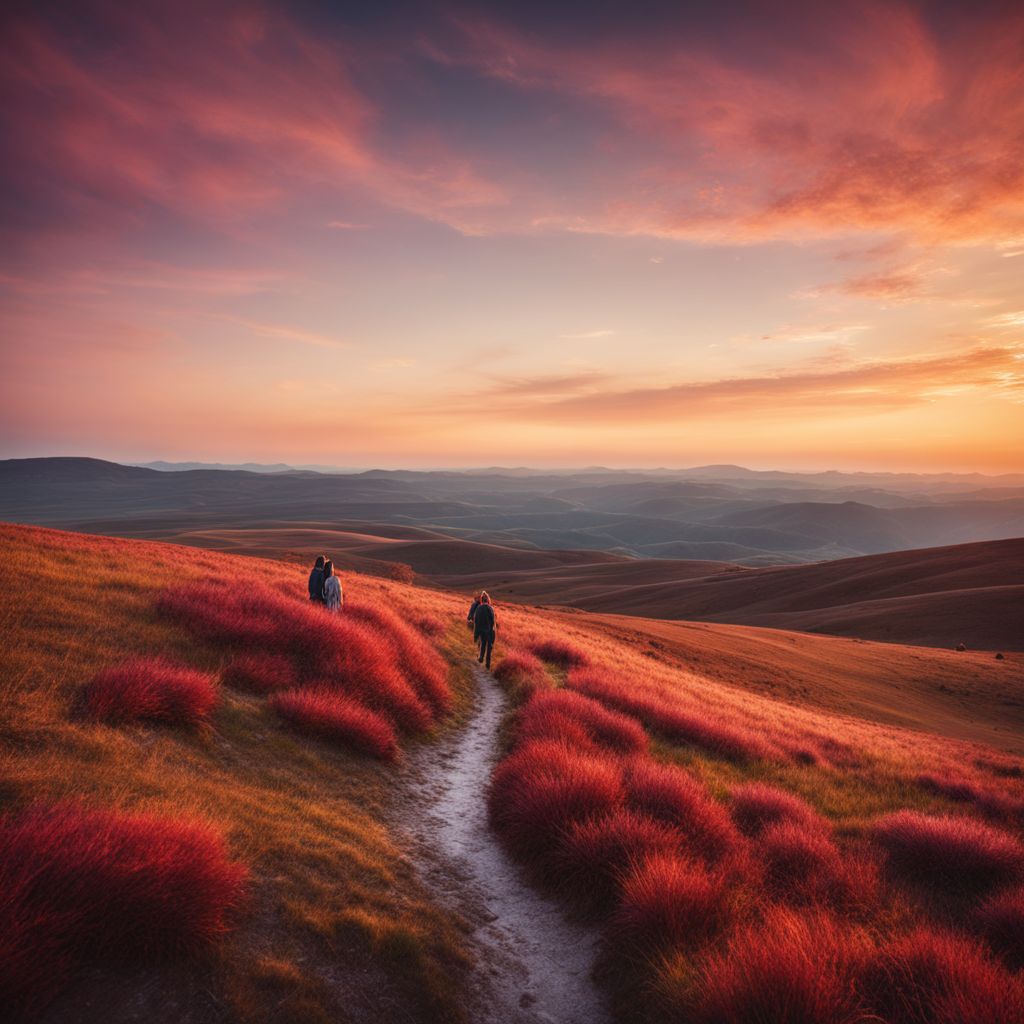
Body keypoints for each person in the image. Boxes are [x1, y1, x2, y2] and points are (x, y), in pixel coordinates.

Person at [473, 591, 497, 669]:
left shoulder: (478, 608)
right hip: (489, 630)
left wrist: (476, 634)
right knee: (489, 647)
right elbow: (493, 621)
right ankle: (488, 664)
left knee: (483, 643)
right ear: (488, 600)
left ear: (481, 600)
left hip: (481, 629)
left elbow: (475, 620)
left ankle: (481, 658)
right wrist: (493, 632)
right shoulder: (490, 608)